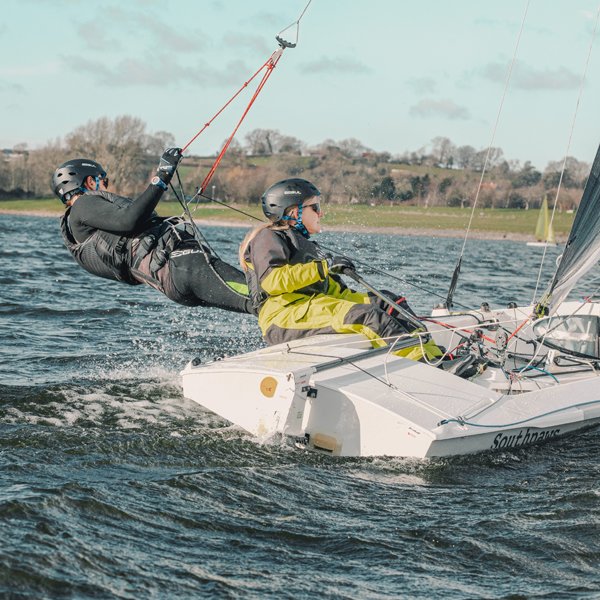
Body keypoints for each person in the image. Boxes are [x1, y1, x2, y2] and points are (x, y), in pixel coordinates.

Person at [239, 178, 443, 361]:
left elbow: (334, 294)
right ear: (294, 211)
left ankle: (435, 355)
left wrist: (372, 298)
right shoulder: (268, 237)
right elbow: (272, 281)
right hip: (283, 318)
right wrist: (323, 267)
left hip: (311, 309)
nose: (321, 213)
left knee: (389, 302)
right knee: (369, 316)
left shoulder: (307, 247)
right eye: (315, 207)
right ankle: (422, 364)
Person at [52, 149, 252, 314]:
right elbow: (129, 219)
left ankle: (280, 339)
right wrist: (162, 176)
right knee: (260, 297)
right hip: (184, 266)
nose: (107, 187)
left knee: (253, 303)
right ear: (89, 182)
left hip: (173, 282)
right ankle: (282, 339)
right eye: (104, 181)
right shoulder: (84, 205)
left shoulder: (79, 232)